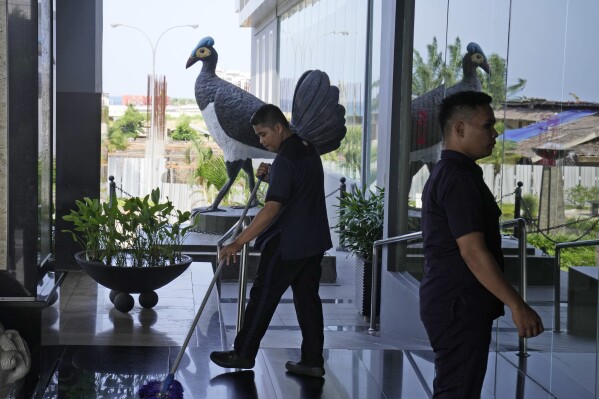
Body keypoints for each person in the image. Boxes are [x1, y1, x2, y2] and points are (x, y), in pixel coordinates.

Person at [419, 91, 544, 398]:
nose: (495, 133)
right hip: (458, 304)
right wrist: (517, 305)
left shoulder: (449, 172)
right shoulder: (458, 178)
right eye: (487, 126)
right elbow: (473, 252)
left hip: (453, 302)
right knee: (458, 391)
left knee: (457, 388)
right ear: (459, 129)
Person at [210, 103, 332, 378]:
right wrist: (270, 176)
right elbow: (298, 187)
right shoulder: (306, 148)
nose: (262, 141)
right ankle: (312, 361)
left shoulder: (286, 159)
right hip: (312, 241)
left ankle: (242, 353)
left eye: (264, 134)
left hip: (287, 243)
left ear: (279, 127)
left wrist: (238, 241)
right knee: (308, 301)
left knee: (262, 297)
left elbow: (272, 209)